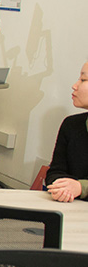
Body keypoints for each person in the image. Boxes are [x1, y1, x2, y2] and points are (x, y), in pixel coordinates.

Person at [46, 60, 88, 202]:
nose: (74, 86)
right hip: (70, 207)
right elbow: (55, 172)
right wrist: (61, 187)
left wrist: (80, 187)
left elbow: (78, 187)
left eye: (83, 80)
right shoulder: (71, 125)